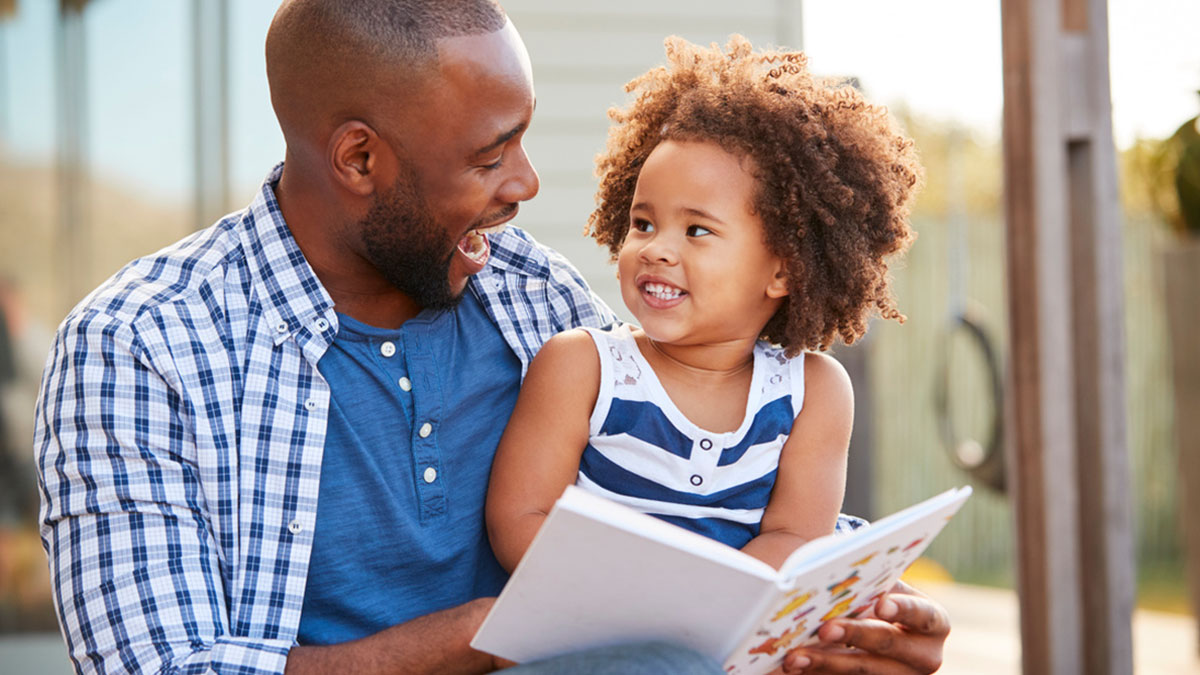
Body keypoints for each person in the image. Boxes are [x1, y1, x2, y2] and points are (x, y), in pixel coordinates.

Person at [33, 1, 949, 674]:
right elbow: (160, 668)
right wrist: (510, 627)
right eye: (489, 155)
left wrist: (854, 610)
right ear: (360, 159)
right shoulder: (142, 346)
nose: (526, 185)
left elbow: (698, 485)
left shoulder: (533, 297)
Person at [486, 35, 920, 576]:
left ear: (784, 269)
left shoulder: (813, 394)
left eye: (697, 230)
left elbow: (795, 537)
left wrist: (708, 607)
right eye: (642, 223)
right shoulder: (583, 367)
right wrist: (633, 598)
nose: (656, 248)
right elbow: (521, 517)